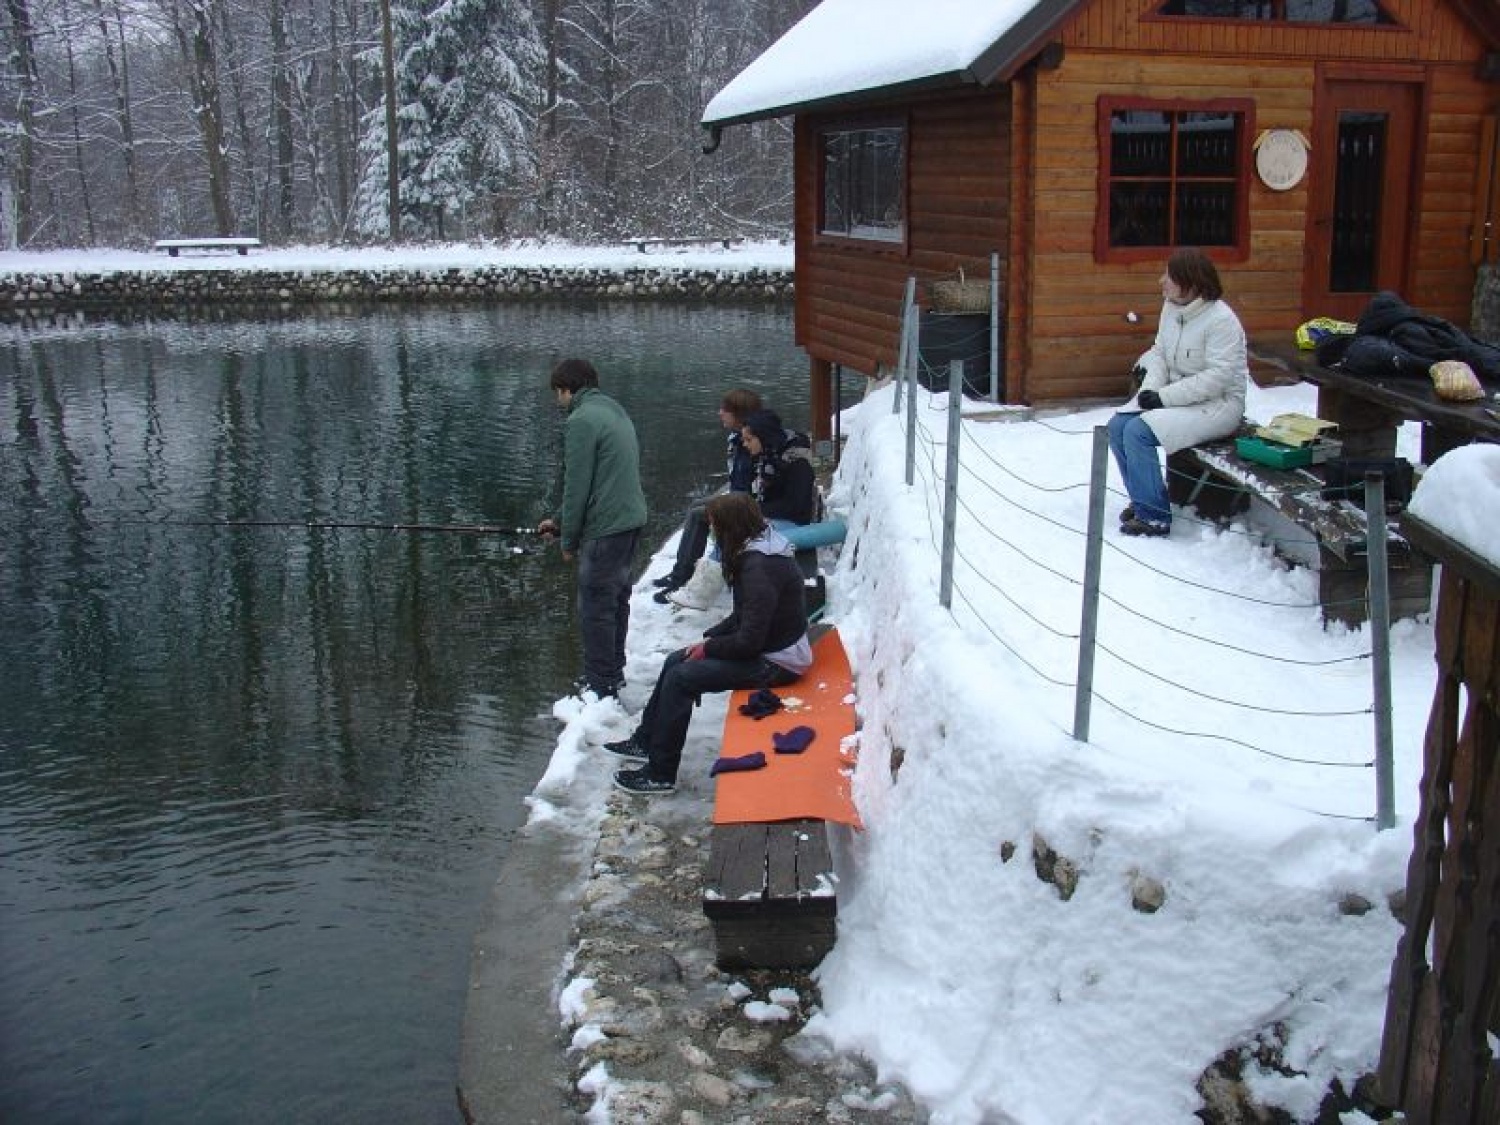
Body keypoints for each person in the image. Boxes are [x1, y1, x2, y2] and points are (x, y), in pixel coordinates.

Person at [608, 492, 812, 795]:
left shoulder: (760, 568)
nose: (712, 531)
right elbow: (745, 616)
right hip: (769, 649)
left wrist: (710, 649)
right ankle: (645, 741)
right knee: (675, 660)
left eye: (715, 525)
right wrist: (712, 637)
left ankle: (661, 774)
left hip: (778, 663)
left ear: (731, 526)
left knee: (682, 678)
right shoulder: (756, 548)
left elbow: (750, 642)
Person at [1107, 247, 1248, 538]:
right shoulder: (1171, 308)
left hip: (1217, 406)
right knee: (1117, 425)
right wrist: (1150, 391)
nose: (1162, 281)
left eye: (1169, 277)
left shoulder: (1222, 321)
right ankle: (1143, 498)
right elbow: (1159, 353)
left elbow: (1217, 378)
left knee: (1137, 432)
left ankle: (1154, 517)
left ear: (1192, 282)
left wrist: (1163, 398)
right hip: (1176, 398)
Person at [537, 358, 648, 699]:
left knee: (596, 606)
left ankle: (599, 686)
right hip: (630, 520)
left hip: (607, 528)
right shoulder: (613, 410)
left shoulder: (581, 421)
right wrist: (558, 521)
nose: (559, 403)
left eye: (558, 395)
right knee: (617, 599)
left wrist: (567, 538)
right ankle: (613, 672)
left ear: (565, 389)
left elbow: (578, 485)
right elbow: (601, 477)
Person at [667, 408, 816, 610]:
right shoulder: (768, 455)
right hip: (771, 515)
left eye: (748, 440)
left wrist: (751, 509)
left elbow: (795, 506)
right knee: (727, 522)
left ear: (763, 437)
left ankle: (701, 593)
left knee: (735, 531)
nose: (744, 445)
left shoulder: (797, 463)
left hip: (793, 521)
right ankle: (701, 586)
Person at [650, 387, 763, 602]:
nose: (720, 413)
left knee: (698, 514)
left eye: (725, 410)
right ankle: (680, 571)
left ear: (739, 415)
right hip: (738, 495)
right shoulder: (737, 439)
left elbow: (752, 488)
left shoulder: (751, 442)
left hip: (746, 504)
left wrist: (728, 506)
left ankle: (681, 580)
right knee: (696, 505)